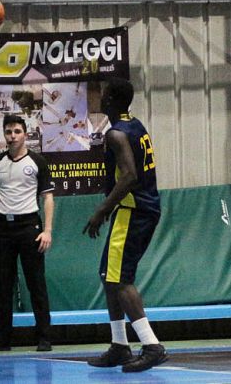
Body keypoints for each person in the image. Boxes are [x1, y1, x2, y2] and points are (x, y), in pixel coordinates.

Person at [83, 77, 168, 373]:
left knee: (120, 280)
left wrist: (101, 210)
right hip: (140, 209)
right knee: (109, 276)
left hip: (134, 210)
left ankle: (152, 346)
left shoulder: (116, 134)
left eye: (104, 94)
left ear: (110, 100)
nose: (100, 97)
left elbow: (130, 176)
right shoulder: (135, 125)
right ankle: (120, 345)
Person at [0, 114, 54, 352]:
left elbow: (47, 197)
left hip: (30, 227)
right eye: (8, 132)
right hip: (3, 229)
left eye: (17, 132)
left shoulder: (38, 161)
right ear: (4, 135)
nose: (12, 136)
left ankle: (44, 337)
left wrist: (48, 230)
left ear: (25, 134)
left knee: (36, 283)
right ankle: (1, 339)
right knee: (2, 285)